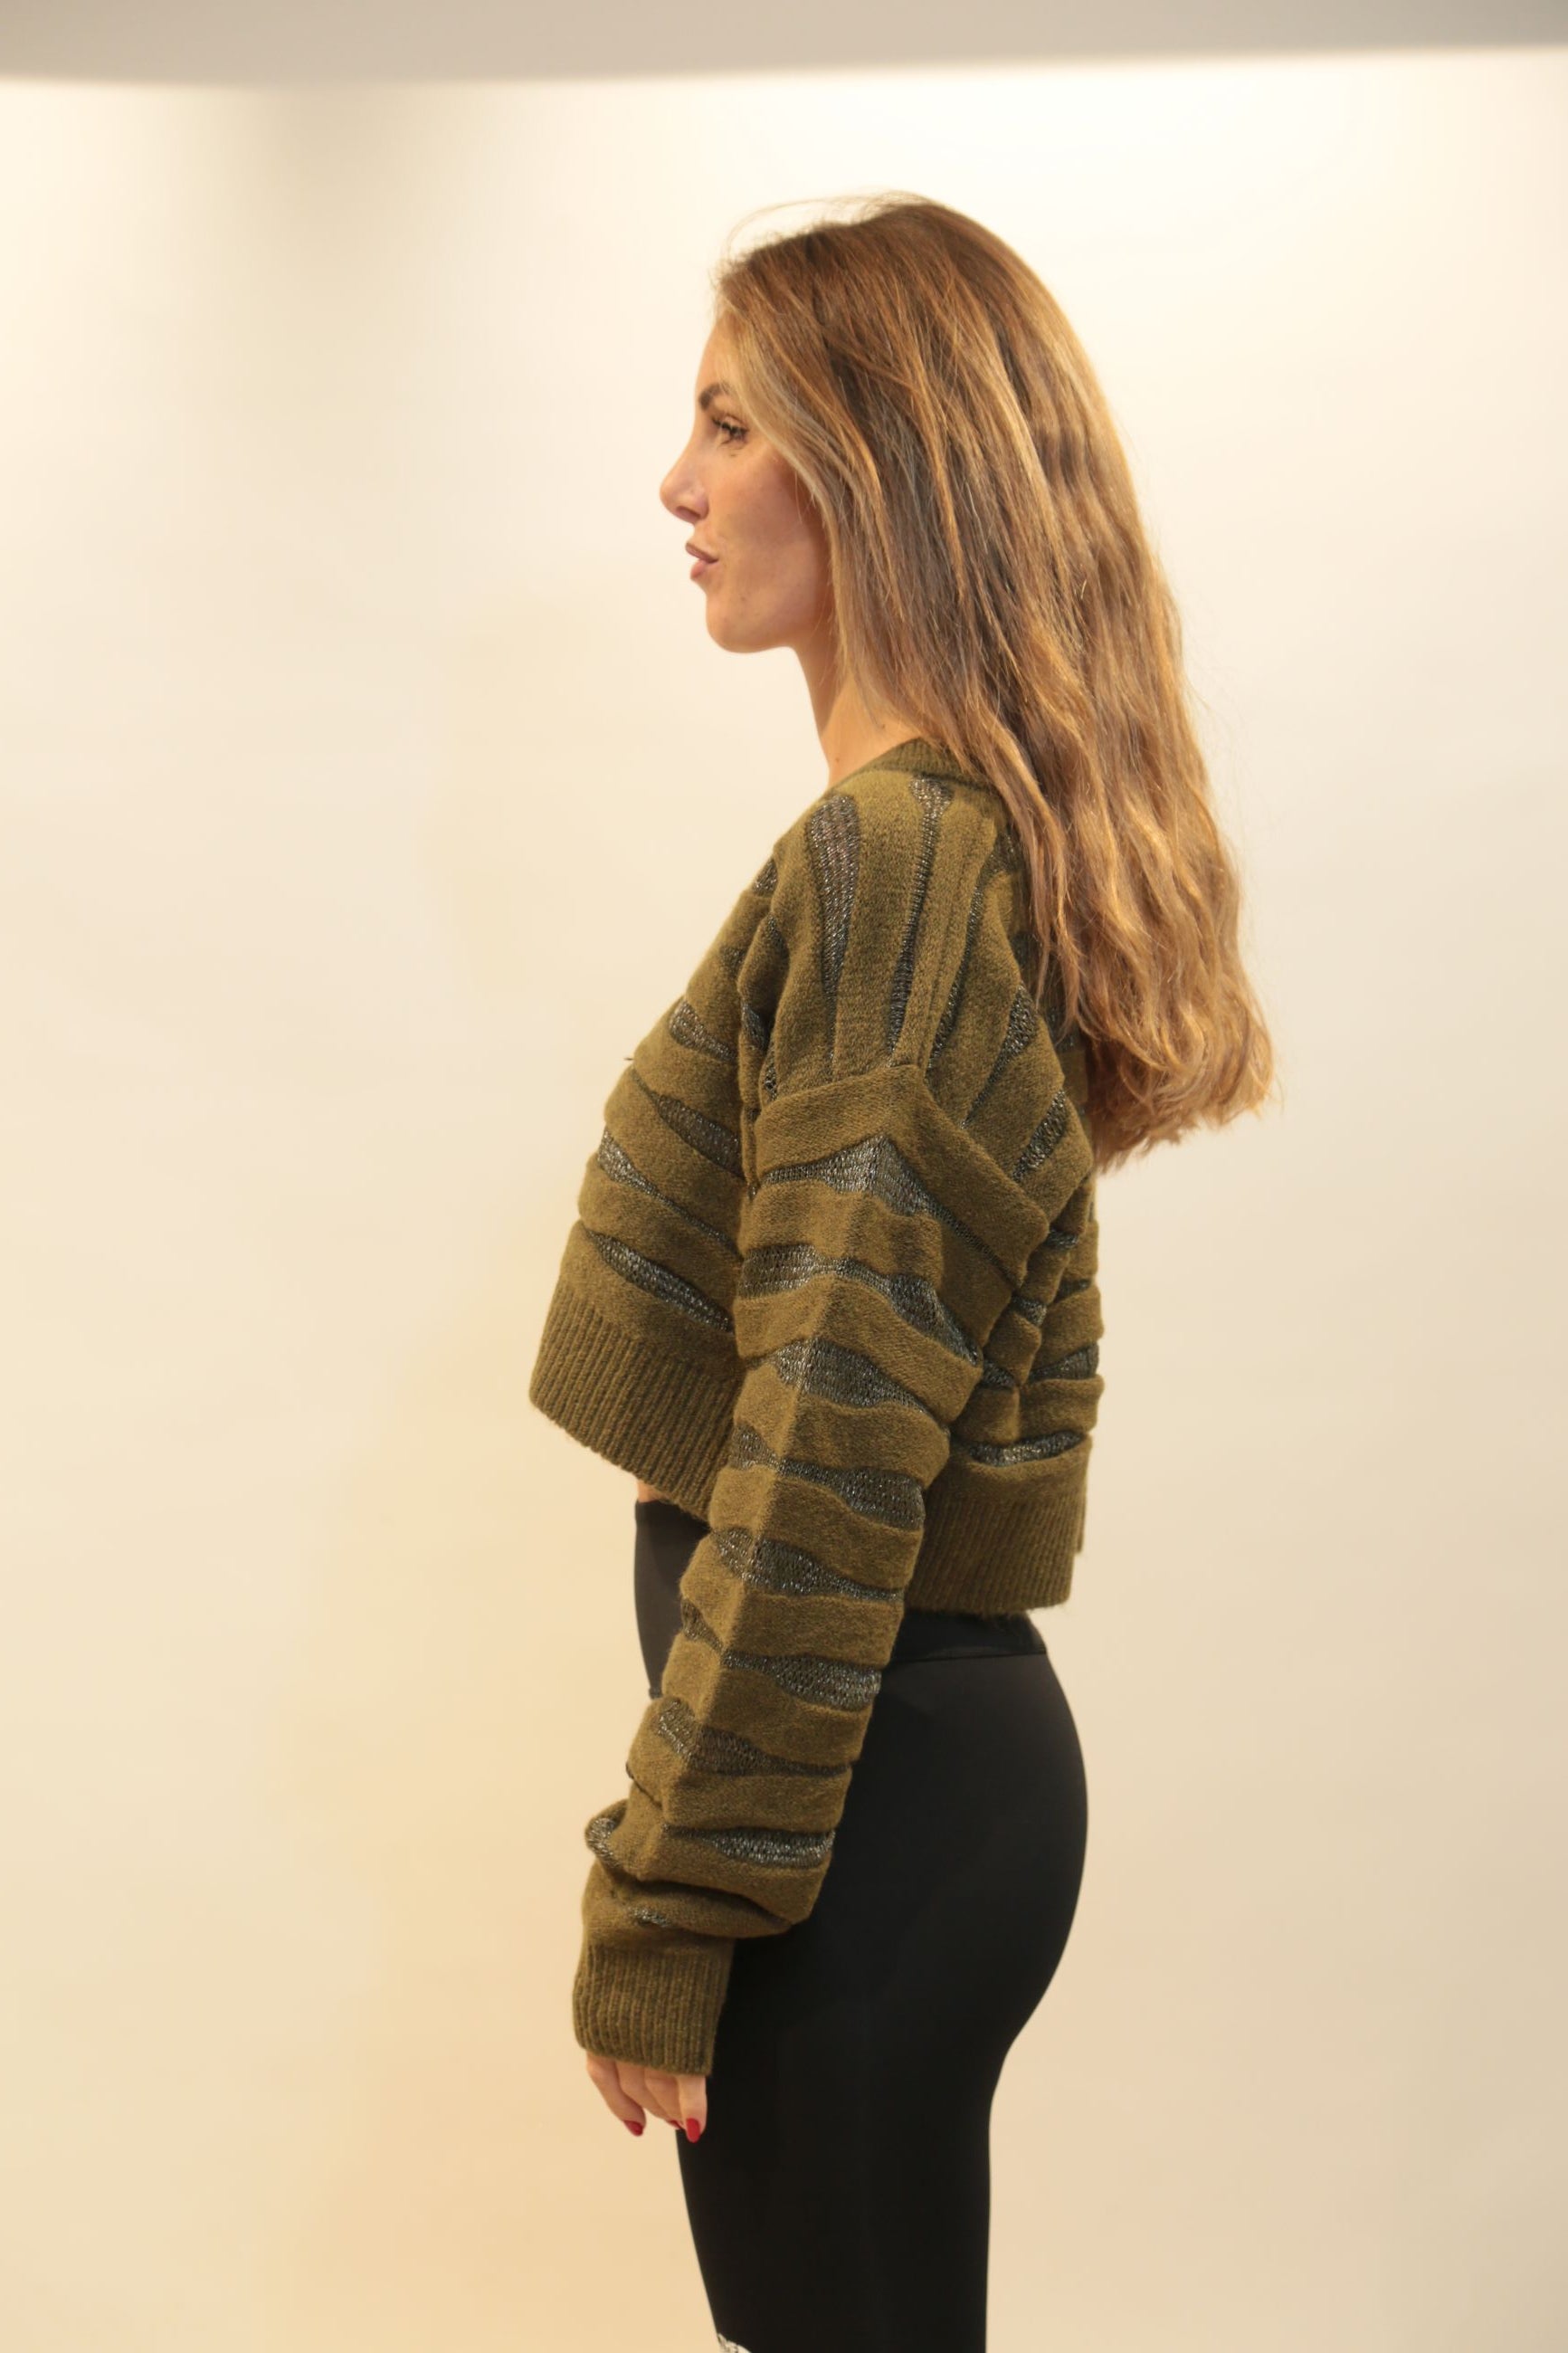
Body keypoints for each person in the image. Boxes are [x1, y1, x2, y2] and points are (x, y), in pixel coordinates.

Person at [527, 192, 1276, 2353]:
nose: (676, 485)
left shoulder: (902, 863)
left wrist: (671, 1895)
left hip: (856, 1808)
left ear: (881, 466)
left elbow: (831, 1444)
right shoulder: (934, 849)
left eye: (728, 422)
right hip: (885, 1786)